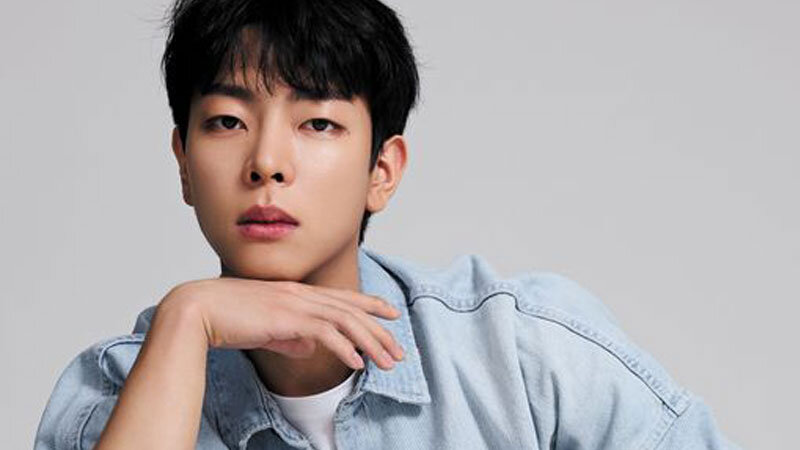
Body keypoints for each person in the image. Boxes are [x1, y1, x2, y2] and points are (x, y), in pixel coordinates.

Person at [34, 0, 743, 448]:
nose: (267, 162)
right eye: (226, 121)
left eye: (317, 123)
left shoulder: (524, 355)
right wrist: (187, 319)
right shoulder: (115, 391)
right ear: (184, 163)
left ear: (383, 169)